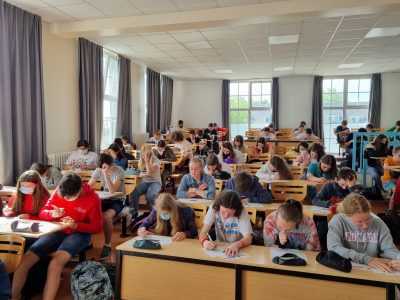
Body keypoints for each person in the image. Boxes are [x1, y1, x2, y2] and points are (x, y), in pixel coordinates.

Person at [11, 174, 102, 300]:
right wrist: (52, 214)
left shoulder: (93, 198)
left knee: (55, 264)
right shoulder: (59, 190)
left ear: (80, 189)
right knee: (25, 260)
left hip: (79, 233)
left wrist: (76, 225)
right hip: (58, 229)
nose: (67, 199)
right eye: (64, 196)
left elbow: (97, 227)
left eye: (71, 197)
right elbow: (43, 213)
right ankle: (13, 297)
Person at [327, 194, 400, 273]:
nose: (365, 225)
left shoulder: (379, 223)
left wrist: (398, 258)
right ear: (347, 216)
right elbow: (333, 248)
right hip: (346, 268)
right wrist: (366, 259)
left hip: (372, 270)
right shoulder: (338, 221)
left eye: (368, 219)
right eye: (360, 222)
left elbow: (389, 249)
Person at [88, 153, 125, 260]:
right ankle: (88, 241)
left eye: (105, 167)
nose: (102, 169)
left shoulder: (120, 171)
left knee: (106, 216)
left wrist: (105, 174)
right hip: (104, 199)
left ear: (111, 164)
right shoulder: (99, 169)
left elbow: (112, 190)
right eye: (101, 167)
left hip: (117, 200)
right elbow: (90, 184)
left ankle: (107, 245)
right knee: (87, 211)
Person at [199, 190, 253, 258]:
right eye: (223, 211)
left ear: (236, 210)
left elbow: (249, 238)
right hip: (220, 246)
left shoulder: (241, 212)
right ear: (219, 206)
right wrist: (204, 242)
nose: (225, 216)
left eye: (230, 213)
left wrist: (236, 245)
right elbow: (203, 232)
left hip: (240, 246)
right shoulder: (214, 208)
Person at [129, 145, 162, 217]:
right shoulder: (142, 160)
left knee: (149, 195)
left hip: (155, 182)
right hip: (145, 182)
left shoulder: (156, 161)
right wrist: (134, 169)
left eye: (146, 155)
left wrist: (147, 160)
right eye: (143, 155)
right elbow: (140, 170)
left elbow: (149, 171)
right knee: (133, 191)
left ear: (150, 154)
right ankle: (133, 213)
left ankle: (154, 215)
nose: (144, 157)